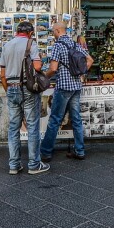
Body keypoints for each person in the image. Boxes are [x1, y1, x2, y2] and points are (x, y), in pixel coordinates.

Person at [0, 21, 49, 175]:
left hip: (11, 88)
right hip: (27, 88)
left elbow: (2, 75)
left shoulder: (6, 46)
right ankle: (34, 164)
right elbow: (37, 67)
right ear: (31, 33)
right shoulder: (30, 44)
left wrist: (9, 90)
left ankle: (14, 165)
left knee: (13, 128)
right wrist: (40, 58)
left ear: (16, 32)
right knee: (32, 127)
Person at [40, 22, 93, 162]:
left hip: (63, 87)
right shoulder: (75, 44)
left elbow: (53, 68)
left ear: (57, 30)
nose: (53, 34)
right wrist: (81, 72)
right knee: (76, 120)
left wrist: (43, 76)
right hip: (76, 86)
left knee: (55, 120)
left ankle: (45, 152)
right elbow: (90, 60)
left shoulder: (58, 45)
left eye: (53, 32)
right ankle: (80, 151)